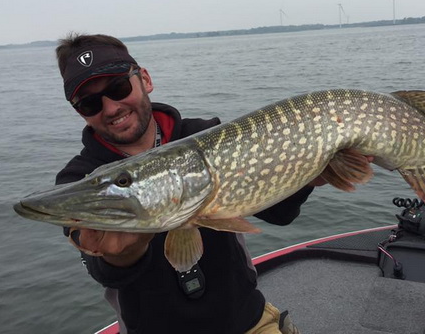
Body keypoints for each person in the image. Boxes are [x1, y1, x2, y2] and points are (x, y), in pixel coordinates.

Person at [55, 33, 319, 334]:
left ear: (145, 79)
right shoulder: (78, 181)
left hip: (249, 323)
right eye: (89, 103)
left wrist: (310, 169)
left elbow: (279, 213)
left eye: (118, 87)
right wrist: (124, 255)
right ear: (79, 112)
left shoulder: (207, 133)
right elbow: (104, 271)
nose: (111, 108)